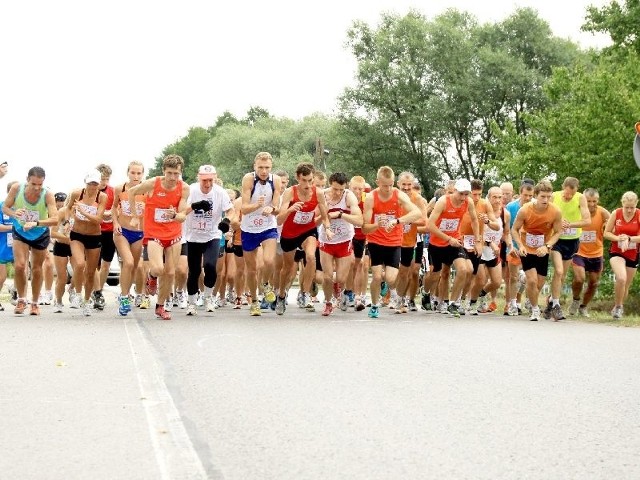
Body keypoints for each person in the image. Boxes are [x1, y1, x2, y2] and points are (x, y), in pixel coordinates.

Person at [128, 154, 190, 320]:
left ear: (180, 173)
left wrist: (175, 215)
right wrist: (134, 215)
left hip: (174, 233)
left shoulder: (183, 188)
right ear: (164, 171)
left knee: (170, 273)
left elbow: (183, 215)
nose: (172, 177)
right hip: (154, 233)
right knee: (158, 269)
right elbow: (131, 192)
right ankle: (152, 277)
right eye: (169, 173)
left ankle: (160, 306)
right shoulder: (153, 183)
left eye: (176, 174)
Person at [361, 166, 422, 318]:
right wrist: (377, 224)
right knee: (376, 276)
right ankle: (374, 306)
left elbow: (417, 213)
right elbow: (364, 228)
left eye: (390, 185)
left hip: (394, 242)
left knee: (391, 278)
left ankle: (388, 289)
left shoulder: (399, 195)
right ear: (377, 182)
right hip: (375, 240)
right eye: (384, 185)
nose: (388, 189)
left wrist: (397, 221)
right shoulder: (371, 198)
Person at [275, 162, 331, 314]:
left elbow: (325, 216)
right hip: (290, 233)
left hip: (308, 230)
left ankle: (305, 293)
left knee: (311, 257)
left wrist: (328, 228)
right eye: (304, 180)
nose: (307, 184)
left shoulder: (318, 193)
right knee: (287, 269)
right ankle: (280, 295)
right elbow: (279, 220)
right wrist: (290, 209)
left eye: (310, 180)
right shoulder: (290, 192)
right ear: (297, 178)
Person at [2, 167, 59, 315]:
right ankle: (21, 299)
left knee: (36, 268)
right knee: (20, 266)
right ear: (27, 180)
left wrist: (36, 223)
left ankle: (34, 302)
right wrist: (15, 214)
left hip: (39, 233)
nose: (37, 187)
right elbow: (5, 208)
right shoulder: (16, 188)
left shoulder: (48, 195)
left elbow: (55, 219)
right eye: (34, 184)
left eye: (40, 184)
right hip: (21, 231)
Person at [424, 178, 482, 317]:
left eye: (466, 194)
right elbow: (430, 225)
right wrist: (448, 239)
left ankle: (453, 303)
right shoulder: (443, 202)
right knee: (435, 275)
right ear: (454, 191)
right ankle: (425, 293)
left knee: (464, 269)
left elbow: (474, 220)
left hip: (455, 241)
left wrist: (477, 240)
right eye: (461, 194)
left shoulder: (468, 202)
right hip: (437, 243)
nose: (463, 197)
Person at [184, 165, 234, 315]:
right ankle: (192, 302)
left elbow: (231, 211)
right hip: (193, 236)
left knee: (210, 266)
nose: (207, 184)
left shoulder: (220, 192)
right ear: (198, 177)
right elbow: (180, 212)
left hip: (212, 235)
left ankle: (208, 297)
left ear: (215, 178)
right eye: (204, 180)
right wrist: (195, 206)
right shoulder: (191, 190)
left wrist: (226, 220)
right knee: (194, 270)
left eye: (210, 180)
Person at [511, 180, 563, 321]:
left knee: (539, 283)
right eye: (542, 197)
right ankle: (535, 310)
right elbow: (514, 229)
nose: (545, 200)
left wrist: (547, 246)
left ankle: (528, 293)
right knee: (532, 281)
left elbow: (558, 232)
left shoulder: (555, 211)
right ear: (536, 195)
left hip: (542, 250)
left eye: (548, 197)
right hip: (527, 249)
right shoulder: (525, 210)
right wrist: (520, 245)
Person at [240, 152, 283, 316]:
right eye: (260, 167)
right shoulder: (248, 179)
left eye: (267, 168)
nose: (264, 171)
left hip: (267, 227)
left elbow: (277, 207)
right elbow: (243, 208)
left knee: (269, 260)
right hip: (249, 228)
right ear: (254, 166)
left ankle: (265, 284)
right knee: (251, 270)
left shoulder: (276, 180)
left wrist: (271, 208)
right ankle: (255, 302)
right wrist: (257, 206)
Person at [544, 177, 591, 320]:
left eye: (572, 194)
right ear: (563, 188)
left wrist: (569, 224)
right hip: (556, 239)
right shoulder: (554, 196)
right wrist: (558, 222)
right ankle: (557, 306)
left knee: (562, 275)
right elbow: (545, 216)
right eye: (567, 193)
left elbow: (587, 221)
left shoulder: (580, 198)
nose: (569, 196)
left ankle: (551, 302)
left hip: (572, 240)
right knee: (558, 271)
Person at [317, 172, 363, 316]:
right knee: (327, 276)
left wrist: (340, 214)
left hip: (344, 240)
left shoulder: (348, 196)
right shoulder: (322, 195)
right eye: (335, 189)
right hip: (326, 240)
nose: (337, 193)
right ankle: (328, 302)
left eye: (340, 190)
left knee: (342, 278)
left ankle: (338, 288)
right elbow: (318, 218)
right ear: (330, 184)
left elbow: (359, 221)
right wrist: (327, 226)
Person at [67, 170, 108, 316]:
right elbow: (68, 208)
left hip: (94, 236)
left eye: (95, 184)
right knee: (79, 264)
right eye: (90, 183)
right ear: (86, 182)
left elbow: (98, 219)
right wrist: (69, 219)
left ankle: (86, 300)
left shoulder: (102, 197)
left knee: (90, 273)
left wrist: (83, 212)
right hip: (77, 234)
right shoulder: (76, 194)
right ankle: (77, 294)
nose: (93, 186)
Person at [569, 188, 609, 317]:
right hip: (578, 252)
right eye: (588, 201)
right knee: (579, 279)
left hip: (596, 252)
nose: (591, 204)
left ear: (598, 200)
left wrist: (608, 225)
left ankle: (583, 306)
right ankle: (575, 299)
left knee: (594, 282)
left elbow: (613, 223)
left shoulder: (602, 212)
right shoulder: (577, 211)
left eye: (594, 201)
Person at [112, 161, 146, 316]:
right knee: (129, 262)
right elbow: (113, 207)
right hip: (123, 231)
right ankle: (125, 297)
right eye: (133, 173)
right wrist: (115, 223)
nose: (136, 176)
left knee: (134, 266)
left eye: (139, 173)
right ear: (128, 173)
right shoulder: (120, 188)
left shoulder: (146, 190)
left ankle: (126, 292)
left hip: (139, 233)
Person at [393, 172, 427, 314]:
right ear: (398, 184)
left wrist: (405, 220)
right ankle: (393, 293)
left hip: (408, 241)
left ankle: (401, 299)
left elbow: (424, 221)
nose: (406, 188)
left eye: (409, 185)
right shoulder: (392, 195)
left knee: (405, 272)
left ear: (413, 185)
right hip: (392, 240)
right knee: (393, 272)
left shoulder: (418, 199)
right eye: (404, 184)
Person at [603, 191, 640, 319]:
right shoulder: (616, 213)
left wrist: (629, 239)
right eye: (627, 207)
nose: (629, 210)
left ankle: (619, 305)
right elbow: (606, 233)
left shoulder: (639, 215)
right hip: (617, 251)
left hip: (633, 253)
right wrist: (619, 238)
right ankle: (619, 307)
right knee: (621, 278)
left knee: (626, 284)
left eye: (632, 207)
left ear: (636, 204)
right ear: (622, 204)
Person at [504, 179, 535, 315]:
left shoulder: (537, 206)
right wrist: (511, 246)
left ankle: (530, 299)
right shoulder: (511, 207)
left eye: (530, 195)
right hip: (514, 247)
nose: (528, 198)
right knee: (514, 277)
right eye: (525, 195)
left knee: (531, 277)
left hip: (531, 247)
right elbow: (507, 230)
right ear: (520, 193)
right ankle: (511, 304)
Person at [92, 163, 116, 310]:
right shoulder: (90, 191)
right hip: (93, 231)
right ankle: (95, 291)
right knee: (94, 264)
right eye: (102, 179)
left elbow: (116, 208)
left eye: (106, 179)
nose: (104, 182)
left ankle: (98, 291)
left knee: (106, 263)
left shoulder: (113, 191)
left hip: (109, 231)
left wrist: (111, 214)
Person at [50, 192, 75, 312]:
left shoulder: (81, 212)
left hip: (76, 247)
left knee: (80, 270)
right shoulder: (62, 212)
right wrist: (67, 238)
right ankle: (58, 300)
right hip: (61, 245)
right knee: (62, 277)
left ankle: (72, 289)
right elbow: (53, 233)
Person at [0, 181, 18, 311]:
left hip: (17, 245)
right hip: (2, 246)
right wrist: (13, 227)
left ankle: (15, 294)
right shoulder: (2, 206)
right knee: (2, 277)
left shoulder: (22, 208)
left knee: (21, 270)